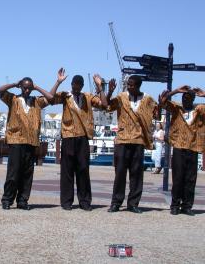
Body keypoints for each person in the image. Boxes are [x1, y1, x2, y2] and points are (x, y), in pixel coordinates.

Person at [49, 69, 108, 211]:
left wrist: (100, 87)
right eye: (75, 84)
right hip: (69, 136)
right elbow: (50, 98)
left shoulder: (87, 97)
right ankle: (67, 201)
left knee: (83, 170)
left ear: (82, 85)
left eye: (79, 84)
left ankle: (85, 201)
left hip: (82, 137)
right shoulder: (65, 96)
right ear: (71, 84)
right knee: (67, 171)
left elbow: (104, 105)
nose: (77, 86)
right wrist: (58, 81)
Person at [0, 77, 53, 210]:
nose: (27, 90)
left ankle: (23, 200)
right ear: (21, 87)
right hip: (16, 140)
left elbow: (50, 97)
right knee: (13, 172)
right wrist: (14, 84)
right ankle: (7, 199)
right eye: (25, 87)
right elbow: (0, 90)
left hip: (31, 141)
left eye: (29, 88)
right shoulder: (13, 99)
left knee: (27, 173)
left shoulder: (37, 101)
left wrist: (37, 87)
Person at [106, 75, 157, 214]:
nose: (129, 87)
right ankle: (116, 202)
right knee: (120, 173)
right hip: (122, 139)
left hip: (138, 140)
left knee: (136, 174)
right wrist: (110, 91)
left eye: (132, 85)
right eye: (128, 84)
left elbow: (156, 112)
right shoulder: (121, 97)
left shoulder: (148, 99)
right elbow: (107, 106)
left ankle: (133, 203)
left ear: (139, 85)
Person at [159, 86, 205, 216]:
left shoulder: (199, 109)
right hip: (179, 147)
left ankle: (187, 206)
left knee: (190, 179)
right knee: (178, 178)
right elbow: (162, 102)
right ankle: (175, 205)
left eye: (189, 98)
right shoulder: (176, 108)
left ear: (193, 99)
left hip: (193, 147)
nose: (186, 100)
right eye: (184, 97)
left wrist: (204, 94)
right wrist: (176, 91)